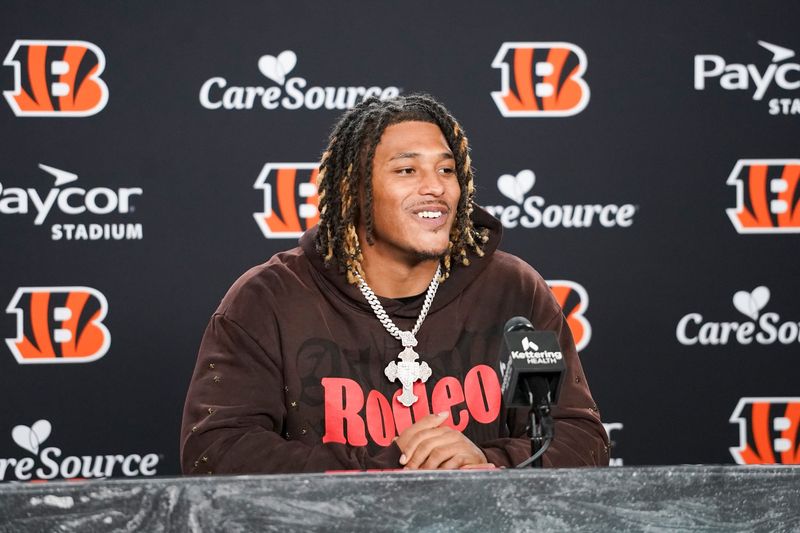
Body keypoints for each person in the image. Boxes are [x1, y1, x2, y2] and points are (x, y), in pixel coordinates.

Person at [180, 94, 609, 474]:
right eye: (406, 170)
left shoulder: (514, 290)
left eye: (446, 169)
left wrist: (484, 461)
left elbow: (580, 439)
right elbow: (215, 452)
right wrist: (392, 470)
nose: (435, 187)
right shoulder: (268, 300)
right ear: (352, 191)